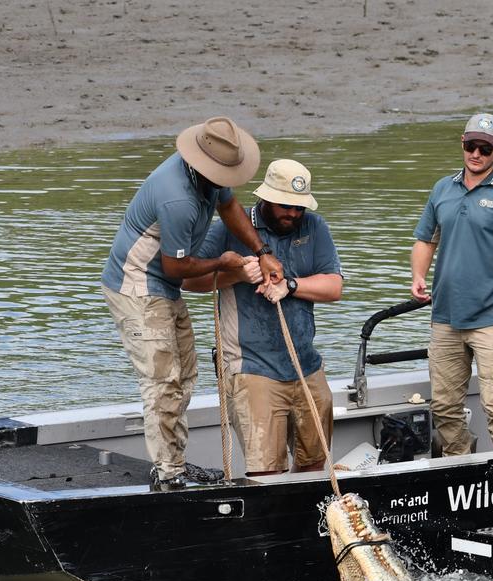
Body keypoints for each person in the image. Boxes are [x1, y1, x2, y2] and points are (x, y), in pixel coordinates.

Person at [101, 116, 283, 490]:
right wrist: (223, 262)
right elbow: (177, 266)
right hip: (137, 287)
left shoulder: (210, 179)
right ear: (204, 166)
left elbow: (230, 207)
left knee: (184, 376)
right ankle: (168, 474)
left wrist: (260, 250)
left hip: (163, 286)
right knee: (162, 380)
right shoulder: (178, 196)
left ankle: (176, 463)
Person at [185, 159, 343, 475]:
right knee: (266, 473)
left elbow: (334, 287)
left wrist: (290, 286)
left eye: (300, 207)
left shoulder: (314, 226)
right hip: (251, 368)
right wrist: (236, 275)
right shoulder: (227, 230)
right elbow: (188, 281)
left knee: (313, 463)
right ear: (266, 197)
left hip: (306, 365)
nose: (294, 214)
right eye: (286, 206)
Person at [410, 113, 493, 455]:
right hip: (444, 319)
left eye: (485, 148)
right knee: (444, 408)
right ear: (462, 144)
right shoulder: (442, 189)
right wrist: (418, 276)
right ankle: (459, 466)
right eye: (471, 145)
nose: (476, 154)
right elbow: (425, 241)